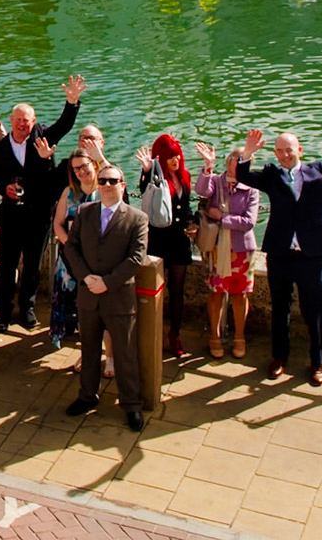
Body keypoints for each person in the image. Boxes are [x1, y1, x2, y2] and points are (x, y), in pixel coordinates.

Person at [235, 127, 322, 385]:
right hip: (280, 253)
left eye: (289, 150)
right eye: (279, 151)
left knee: (314, 310)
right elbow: (243, 175)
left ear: (299, 150)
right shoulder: (271, 176)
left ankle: (317, 362)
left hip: (310, 254)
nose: (284, 156)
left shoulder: (319, 173)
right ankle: (279, 357)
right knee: (279, 308)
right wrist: (247, 152)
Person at [0, 74, 84, 331]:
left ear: (33, 122)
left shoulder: (43, 137)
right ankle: (4, 312)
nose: (22, 124)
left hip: (38, 214)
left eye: (27, 121)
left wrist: (72, 102)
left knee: (32, 264)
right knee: (7, 265)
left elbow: (64, 125)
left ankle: (27, 308)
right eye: (18, 120)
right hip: (11, 214)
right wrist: (4, 188)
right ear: (11, 121)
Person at [62, 163, 151, 431]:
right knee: (88, 349)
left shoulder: (137, 218)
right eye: (102, 181)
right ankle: (87, 396)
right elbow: (71, 247)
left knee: (125, 353)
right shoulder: (85, 212)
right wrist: (86, 277)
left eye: (113, 181)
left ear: (123, 185)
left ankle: (131, 405)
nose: (107, 185)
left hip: (118, 298)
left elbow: (137, 258)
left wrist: (107, 283)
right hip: (89, 294)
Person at [192, 141, 259, 359]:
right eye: (235, 160)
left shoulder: (251, 188)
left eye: (243, 162)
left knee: (240, 294)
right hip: (217, 248)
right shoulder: (216, 181)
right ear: (228, 161)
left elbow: (249, 222)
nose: (238, 164)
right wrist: (207, 166)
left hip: (241, 251)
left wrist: (222, 218)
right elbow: (201, 190)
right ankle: (214, 336)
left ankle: (239, 337)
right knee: (216, 292)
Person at [136, 133, 197, 358]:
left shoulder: (184, 177)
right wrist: (146, 170)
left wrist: (192, 224)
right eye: (170, 156)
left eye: (177, 155)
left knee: (178, 290)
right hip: (158, 240)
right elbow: (144, 189)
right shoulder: (154, 177)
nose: (175, 160)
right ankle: (150, 330)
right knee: (155, 290)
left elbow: (186, 207)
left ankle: (175, 333)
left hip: (180, 241)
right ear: (161, 158)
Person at [50, 150, 100, 352]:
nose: (81, 171)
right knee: (67, 293)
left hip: (94, 257)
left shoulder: (103, 191)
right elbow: (57, 224)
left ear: (94, 164)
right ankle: (67, 330)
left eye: (84, 166)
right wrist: (70, 246)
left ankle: (90, 339)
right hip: (69, 253)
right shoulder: (69, 193)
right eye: (76, 168)